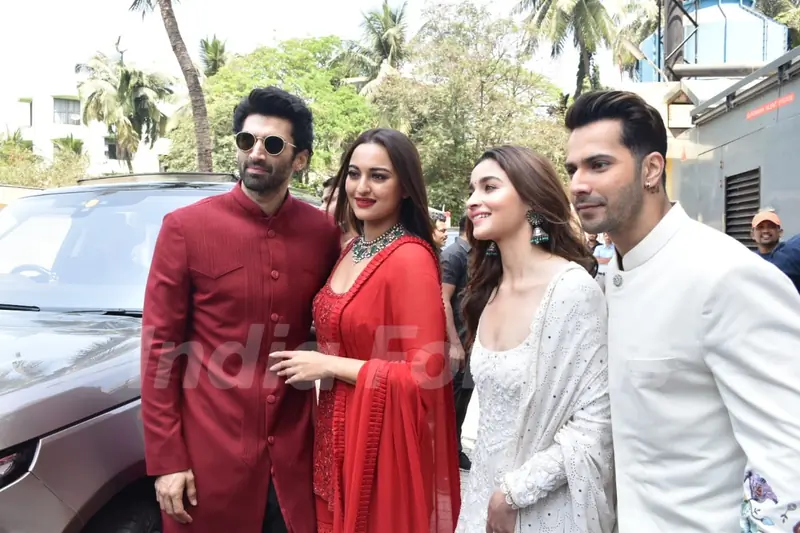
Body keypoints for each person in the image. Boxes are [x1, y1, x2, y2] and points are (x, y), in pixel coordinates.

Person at [565, 90, 800, 533]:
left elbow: (789, 464)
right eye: (573, 169)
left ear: (651, 169)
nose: (579, 183)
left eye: (598, 165)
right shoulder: (609, 278)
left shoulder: (726, 275)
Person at [140, 86, 341, 533]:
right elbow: (159, 351)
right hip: (209, 461)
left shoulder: (322, 233)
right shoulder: (186, 228)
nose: (256, 153)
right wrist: (167, 460)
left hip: (293, 459)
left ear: (300, 159)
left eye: (272, 145)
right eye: (246, 141)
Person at [269, 128, 461, 533]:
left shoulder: (409, 257)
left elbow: (423, 373)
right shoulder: (352, 250)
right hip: (334, 434)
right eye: (354, 174)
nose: (362, 187)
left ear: (405, 186)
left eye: (379, 176)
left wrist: (329, 365)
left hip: (376, 445)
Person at [456, 145, 615, 533]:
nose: (473, 201)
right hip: (479, 501)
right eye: (473, 189)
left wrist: (513, 494)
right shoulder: (488, 289)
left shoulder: (571, 291)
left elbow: (596, 424)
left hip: (541, 509)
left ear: (531, 199)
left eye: (489, 187)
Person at [441, 214, 473, 471]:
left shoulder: (476, 254)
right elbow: (443, 300)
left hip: (471, 343)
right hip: (456, 344)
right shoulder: (455, 254)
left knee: (462, 399)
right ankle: (444, 452)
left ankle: (454, 448)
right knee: (449, 402)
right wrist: (454, 342)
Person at [751, 210, 800, 292]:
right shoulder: (749, 260)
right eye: (760, 227)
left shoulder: (792, 253)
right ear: (752, 235)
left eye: (771, 226)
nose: (765, 230)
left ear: (780, 232)